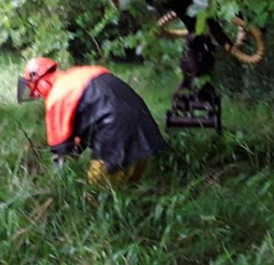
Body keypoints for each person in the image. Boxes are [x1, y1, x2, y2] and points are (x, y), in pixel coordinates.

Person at [17, 57, 166, 187]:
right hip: (145, 127)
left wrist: (56, 184)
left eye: (36, 90)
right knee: (127, 190)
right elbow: (94, 114)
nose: (39, 95)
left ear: (41, 83)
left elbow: (60, 152)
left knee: (97, 193)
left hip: (115, 139)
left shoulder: (57, 96)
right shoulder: (83, 73)